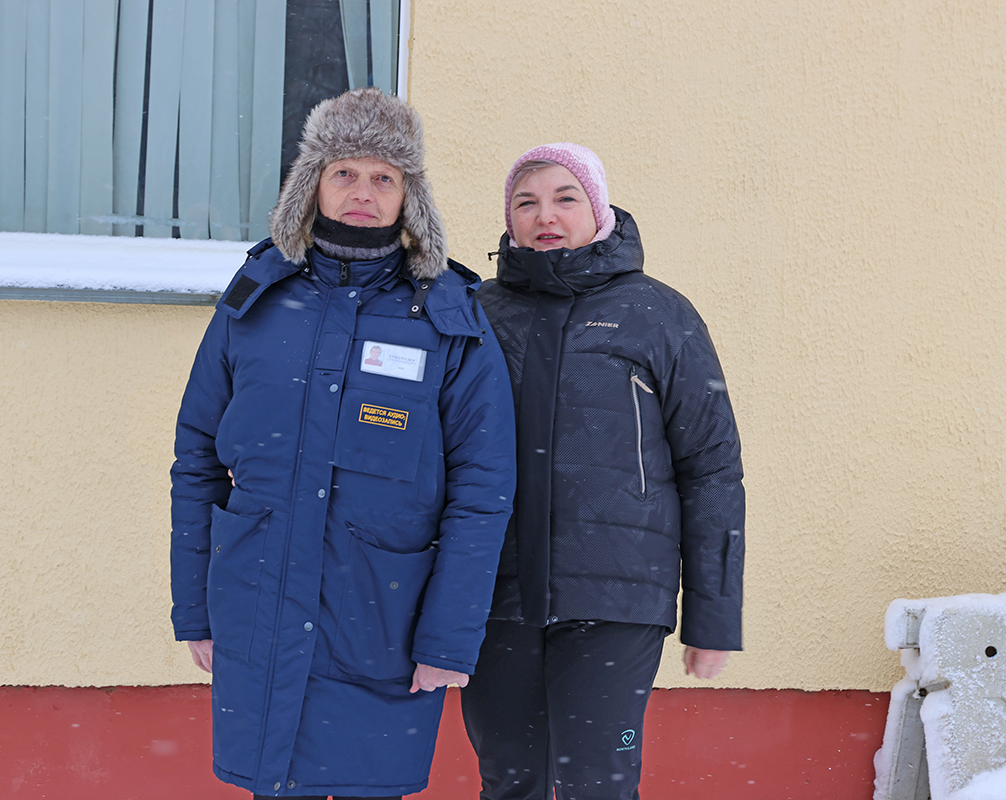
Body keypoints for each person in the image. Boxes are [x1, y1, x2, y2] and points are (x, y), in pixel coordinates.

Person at [169, 88, 516, 800]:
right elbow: (197, 460)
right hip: (259, 612)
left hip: (384, 623)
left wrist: (449, 638)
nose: (363, 192)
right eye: (345, 172)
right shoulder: (256, 300)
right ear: (313, 184)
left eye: (384, 177)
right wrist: (196, 609)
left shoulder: (447, 317)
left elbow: (483, 492)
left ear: (410, 197)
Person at [460, 143, 745, 800]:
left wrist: (713, 617)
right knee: (510, 781)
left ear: (598, 209)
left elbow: (711, 469)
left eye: (566, 198)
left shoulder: (659, 314)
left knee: (598, 785)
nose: (546, 216)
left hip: (617, 598)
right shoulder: (478, 313)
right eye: (526, 202)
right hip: (495, 596)